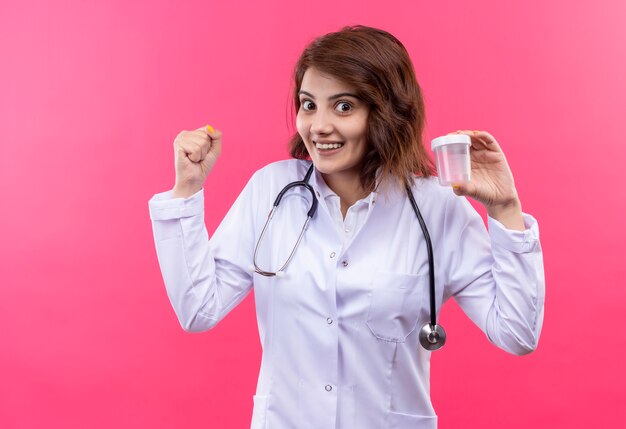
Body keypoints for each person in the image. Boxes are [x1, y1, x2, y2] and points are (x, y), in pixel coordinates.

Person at [149, 25, 545, 429]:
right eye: (308, 105)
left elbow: (516, 334)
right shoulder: (272, 190)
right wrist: (187, 190)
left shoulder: (437, 207)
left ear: (388, 111)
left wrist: (505, 208)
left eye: (343, 107)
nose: (318, 126)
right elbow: (198, 309)